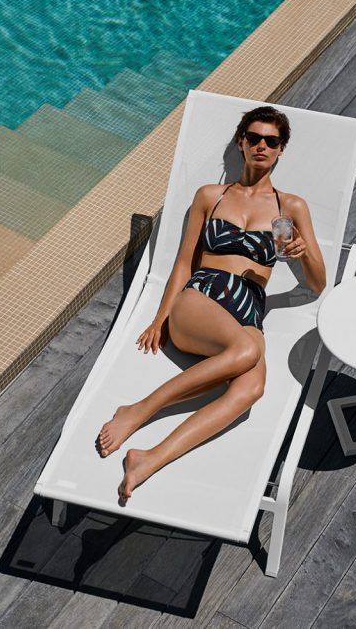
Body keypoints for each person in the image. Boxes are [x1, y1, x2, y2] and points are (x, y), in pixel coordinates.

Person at [96, 105, 326, 503]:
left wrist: (303, 253)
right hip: (202, 296)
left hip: (248, 308)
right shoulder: (211, 196)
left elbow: (319, 284)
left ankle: (148, 458)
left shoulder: (291, 207)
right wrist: (160, 317)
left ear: (281, 150)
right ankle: (137, 410)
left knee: (251, 387)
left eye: (271, 141)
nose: (261, 146)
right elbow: (184, 261)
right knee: (249, 350)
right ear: (241, 142)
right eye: (253, 138)